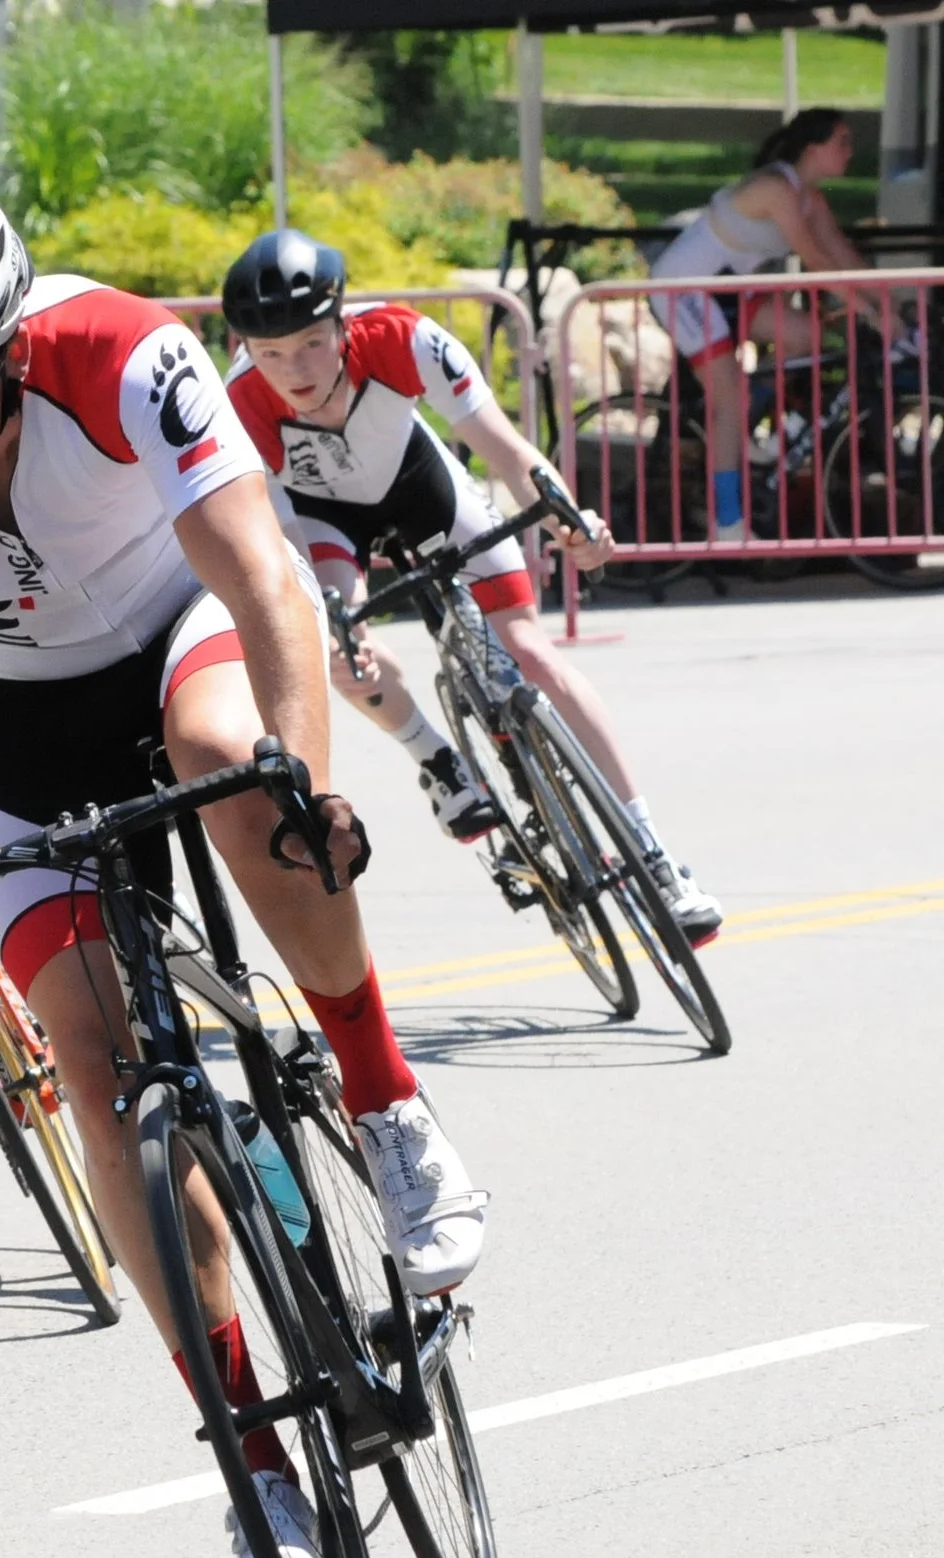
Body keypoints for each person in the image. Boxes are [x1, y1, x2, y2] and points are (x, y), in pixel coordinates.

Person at [0, 172, 491, 1558]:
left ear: (10, 357)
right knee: (99, 1079)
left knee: (230, 760)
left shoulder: (119, 349)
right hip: (20, 715)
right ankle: (255, 1473)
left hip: (180, 630)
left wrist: (300, 772)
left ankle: (387, 1101)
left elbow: (260, 573)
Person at [222, 230, 722, 943]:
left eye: (309, 343)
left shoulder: (403, 339)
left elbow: (509, 453)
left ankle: (655, 855)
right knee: (338, 642)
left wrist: (571, 525)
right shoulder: (242, 402)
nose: (293, 369)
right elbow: (287, 539)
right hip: (325, 519)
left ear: (341, 321)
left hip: (422, 487)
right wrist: (345, 626)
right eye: (270, 354)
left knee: (532, 653)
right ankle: (435, 757)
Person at [648, 108, 871, 543]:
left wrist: (896, 303)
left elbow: (845, 257)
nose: (850, 151)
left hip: (730, 288)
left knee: (810, 336)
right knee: (726, 400)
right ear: (813, 148)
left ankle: (763, 428)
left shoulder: (812, 198)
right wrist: (871, 310)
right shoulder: (776, 188)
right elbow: (818, 260)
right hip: (684, 288)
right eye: (841, 141)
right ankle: (726, 521)